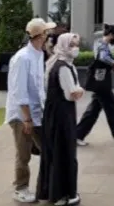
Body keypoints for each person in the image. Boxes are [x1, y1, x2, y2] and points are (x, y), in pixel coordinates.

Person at [4, 18, 56, 203]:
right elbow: (20, 91)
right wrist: (27, 119)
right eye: (47, 33)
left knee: (49, 149)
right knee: (23, 153)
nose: (50, 37)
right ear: (40, 35)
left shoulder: (39, 54)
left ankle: (50, 185)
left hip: (36, 112)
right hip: (21, 115)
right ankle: (21, 188)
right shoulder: (22, 58)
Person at [37, 33, 84, 206]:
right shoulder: (63, 67)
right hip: (62, 115)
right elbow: (70, 94)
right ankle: (66, 192)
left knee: (56, 152)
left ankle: (55, 191)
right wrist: (80, 91)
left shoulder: (56, 64)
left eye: (76, 44)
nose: (75, 48)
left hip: (55, 114)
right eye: (72, 45)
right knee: (65, 152)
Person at [76, 24, 114, 145]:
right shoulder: (103, 45)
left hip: (99, 82)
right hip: (102, 83)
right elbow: (103, 57)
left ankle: (78, 135)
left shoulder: (98, 42)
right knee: (112, 108)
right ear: (110, 35)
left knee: (93, 110)